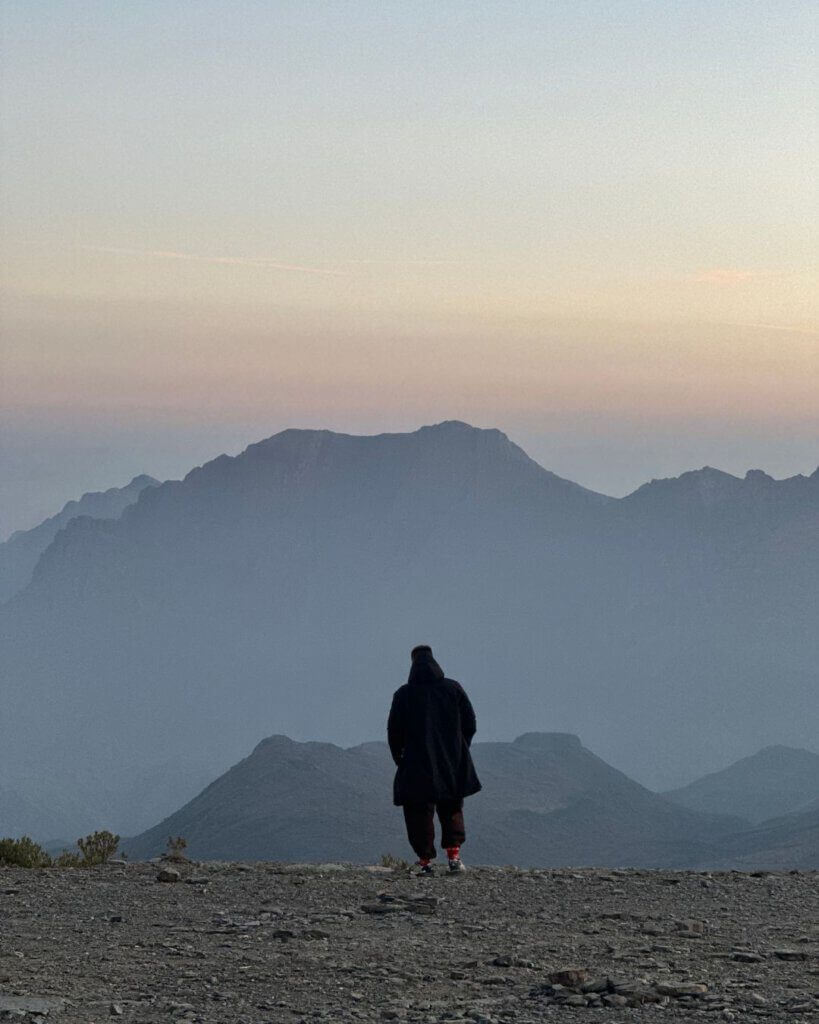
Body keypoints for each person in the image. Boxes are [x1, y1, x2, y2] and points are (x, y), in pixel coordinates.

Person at [387, 645, 481, 874]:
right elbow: (470, 722)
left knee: (419, 813)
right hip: (451, 762)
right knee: (451, 808)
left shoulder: (404, 695)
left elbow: (394, 731)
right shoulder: (453, 689)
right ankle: (454, 858)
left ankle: (425, 861)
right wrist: (459, 749)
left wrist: (400, 758)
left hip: (416, 765)